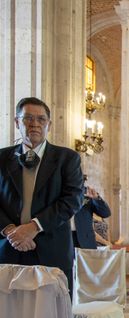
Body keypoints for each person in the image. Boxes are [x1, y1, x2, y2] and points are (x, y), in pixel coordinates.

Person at [0, 97, 83, 290]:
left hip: (51, 249)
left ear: (49, 124)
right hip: (7, 248)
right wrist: (11, 231)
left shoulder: (67, 158)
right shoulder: (1, 158)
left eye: (41, 119)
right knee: (7, 316)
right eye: (28, 118)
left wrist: (33, 227)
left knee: (50, 316)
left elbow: (73, 200)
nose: (35, 124)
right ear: (16, 122)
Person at [72, 181, 111, 249]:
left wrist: (96, 198)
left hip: (85, 241)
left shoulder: (87, 193)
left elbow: (106, 213)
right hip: (63, 238)